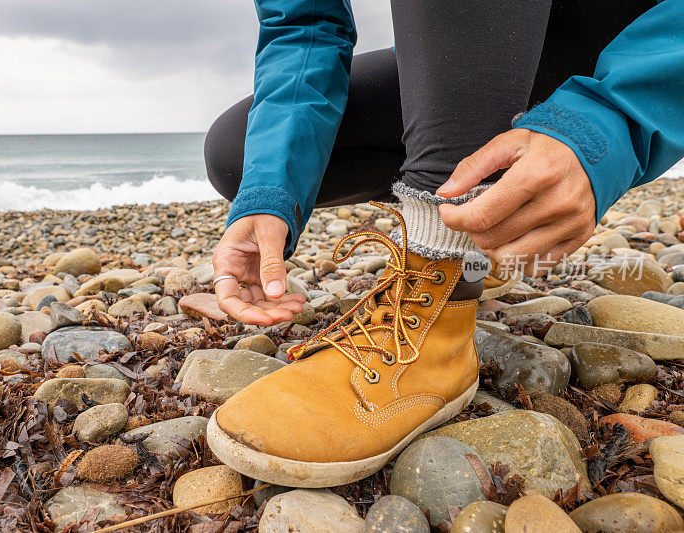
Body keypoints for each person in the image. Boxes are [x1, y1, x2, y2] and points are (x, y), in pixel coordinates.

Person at [202, 0, 684, 487]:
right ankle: (478, 249)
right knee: (235, 151)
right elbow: (303, 25)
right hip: (480, 53)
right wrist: (271, 190)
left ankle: (443, 319)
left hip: (639, 51)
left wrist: (609, 120)